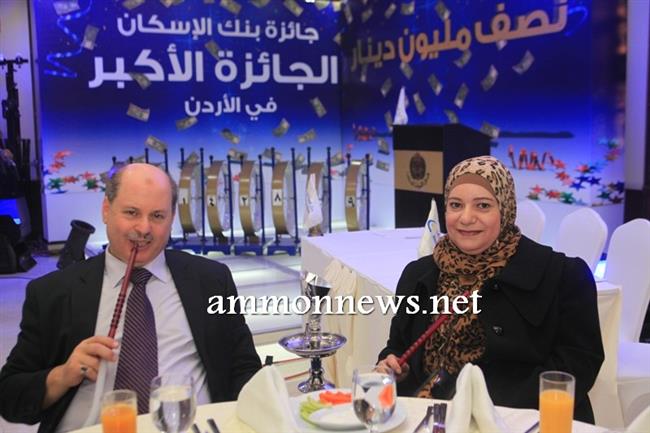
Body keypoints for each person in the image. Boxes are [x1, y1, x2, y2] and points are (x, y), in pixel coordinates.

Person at [0, 163, 261, 432]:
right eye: (131, 212)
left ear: (172, 218)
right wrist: (63, 375)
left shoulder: (211, 281)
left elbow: (244, 366)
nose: (144, 228)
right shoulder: (53, 293)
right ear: (106, 209)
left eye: (157, 216)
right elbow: (9, 396)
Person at [377, 155, 604, 423]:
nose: (466, 218)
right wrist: (392, 364)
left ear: (505, 209)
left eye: (483, 205)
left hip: (520, 421)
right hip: (430, 417)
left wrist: (482, 407)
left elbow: (578, 366)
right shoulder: (419, 274)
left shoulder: (563, 276)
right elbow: (397, 346)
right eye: (455, 205)